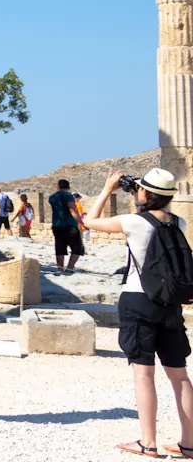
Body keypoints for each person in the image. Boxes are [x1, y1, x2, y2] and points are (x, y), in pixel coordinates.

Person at [83, 168, 193, 459]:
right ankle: (189, 443)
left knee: (144, 374)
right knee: (179, 375)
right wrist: (141, 195)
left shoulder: (133, 221)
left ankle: (148, 442)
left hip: (138, 299)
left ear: (144, 193)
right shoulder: (178, 222)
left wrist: (107, 188)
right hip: (169, 302)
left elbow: (89, 221)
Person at [49, 179, 84, 274]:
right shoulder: (68, 195)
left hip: (57, 225)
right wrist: (81, 222)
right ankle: (69, 268)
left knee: (60, 247)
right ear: (68, 187)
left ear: (58, 186)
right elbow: (72, 209)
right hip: (70, 225)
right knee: (77, 248)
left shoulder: (52, 197)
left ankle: (60, 269)